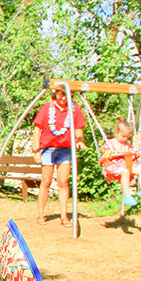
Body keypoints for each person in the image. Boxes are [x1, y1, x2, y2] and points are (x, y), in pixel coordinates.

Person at [32, 87, 86, 226]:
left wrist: (79, 140)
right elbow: (37, 130)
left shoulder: (74, 109)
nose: (63, 98)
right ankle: (41, 214)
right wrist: (36, 151)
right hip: (48, 150)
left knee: (63, 183)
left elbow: (79, 128)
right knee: (46, 182)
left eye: (66, 95)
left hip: (65, 150)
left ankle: (64, 216)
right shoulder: (46, 108)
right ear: (56, 94)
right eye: (60, 95)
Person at [100, 118, 141, 207]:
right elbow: (106, 154)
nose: (125, 139)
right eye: (123, 136)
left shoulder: (127, 145)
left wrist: (134, 154)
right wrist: (112, 154)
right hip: (114, 167)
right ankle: (127, 195)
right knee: (125, 172)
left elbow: (132, 154)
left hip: (128, 165)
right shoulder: (110, 144)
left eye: (127, 137)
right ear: (116, 133)